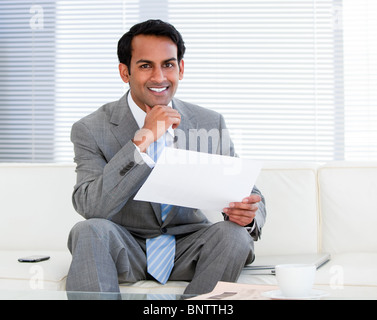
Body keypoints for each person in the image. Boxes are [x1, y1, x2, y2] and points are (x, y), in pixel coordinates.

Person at [66, 19, 266, 295]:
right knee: (87, 230)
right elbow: (91, 206)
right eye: (146, 65)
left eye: (168, 65)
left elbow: (248, 192)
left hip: (190, 246)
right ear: (125, 72)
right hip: (127, 245)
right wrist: (142, 142)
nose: (159, 77)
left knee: (234, 236)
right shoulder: (90, 129)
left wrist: (248, 215)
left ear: (181, 69)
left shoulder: (209, 122)